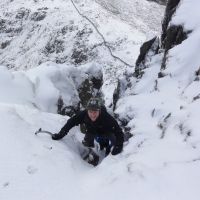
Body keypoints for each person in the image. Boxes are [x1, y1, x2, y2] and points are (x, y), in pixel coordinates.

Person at [52, 97, 124, 155]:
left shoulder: (106, 117)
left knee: (113, 141)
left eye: (95, 112)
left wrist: (118, 146)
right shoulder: (83, 115)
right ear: (87, 111)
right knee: (87, 143)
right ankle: (91, 154)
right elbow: (71, 122)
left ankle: (108, 153)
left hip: (107, 131)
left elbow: (118, 131)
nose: (93, 115)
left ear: (99, 111)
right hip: (92, 131)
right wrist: (61, 134)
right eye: (90, 112)